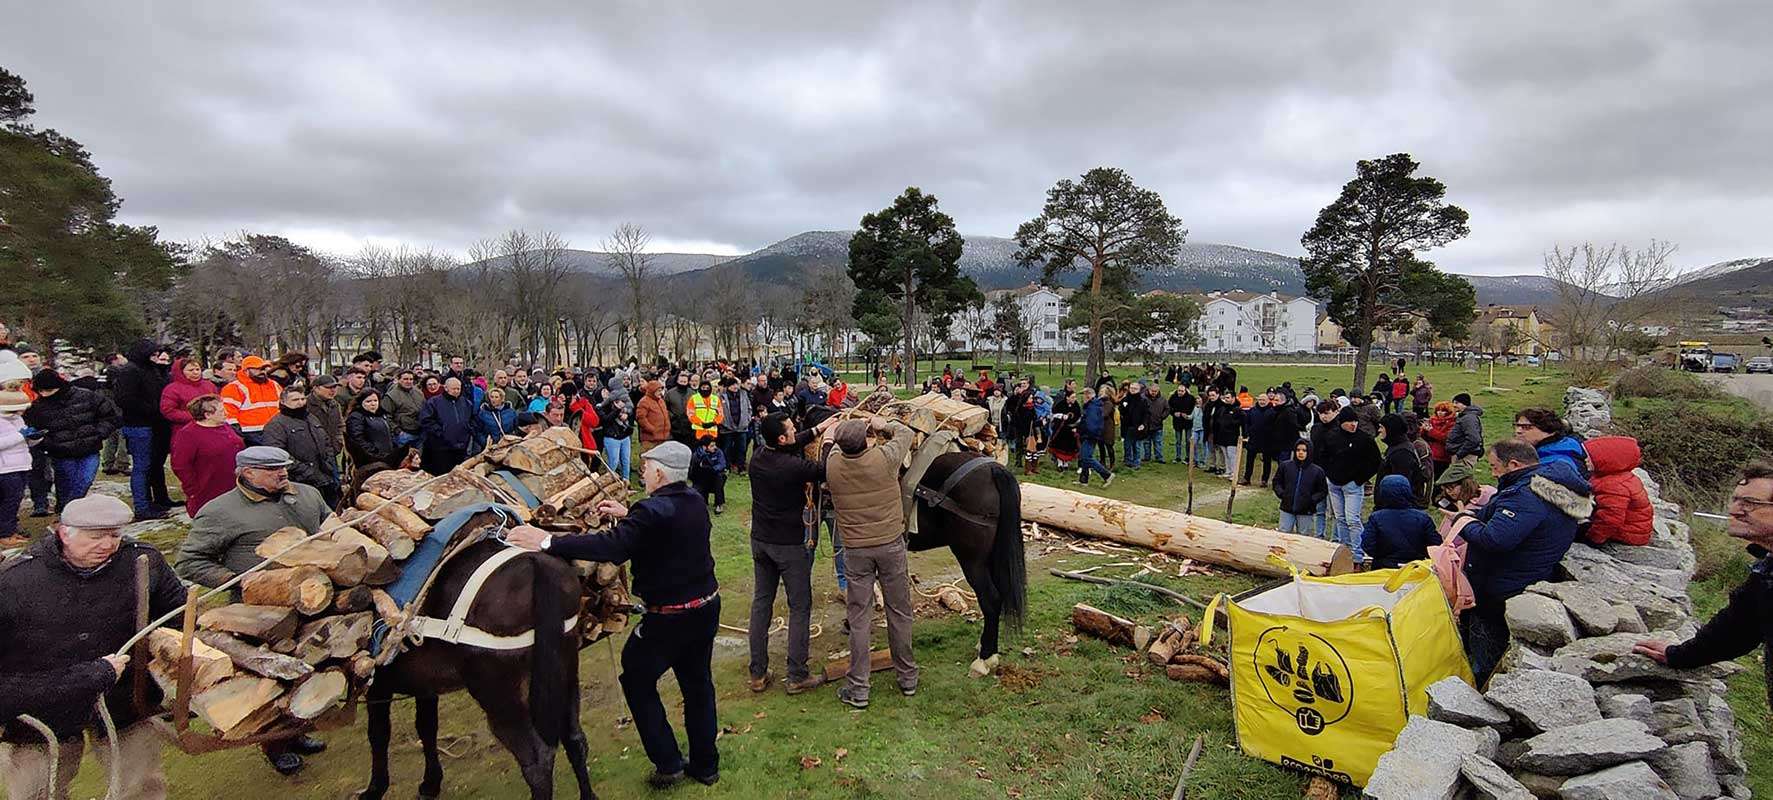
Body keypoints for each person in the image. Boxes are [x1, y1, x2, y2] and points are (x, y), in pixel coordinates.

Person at [505, 443, 721, 788]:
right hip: (706, 608)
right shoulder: (693, 500)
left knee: (636, 679)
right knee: (698, 685)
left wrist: (547, 541)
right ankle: (707, 766)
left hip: (668, 620)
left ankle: (668, 764)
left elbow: (612, 547)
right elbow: (661, 522)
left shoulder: (651, 513)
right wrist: (629, 512)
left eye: (647, 469)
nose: (643, 473)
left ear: (661, 474)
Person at [0, 495, 183, 800]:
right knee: (35, 792)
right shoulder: (14, 580)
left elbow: (175, 616)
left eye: (115, 535)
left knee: (141, 787)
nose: (107, 544)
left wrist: (163, 669)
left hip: (125, 699)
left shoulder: (144, 562)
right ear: (63, 532)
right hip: (41, 709)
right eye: (95, 537)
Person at [174, 446, 332, 774]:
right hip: (259, 613)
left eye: (284, 467)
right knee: (271, 677)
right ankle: (275, 743)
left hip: (314, 597)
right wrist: (236, 581)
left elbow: (331, 531)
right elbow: (189, 561)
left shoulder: (307, 495)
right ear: (247, 474)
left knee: (313, 668)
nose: (283, 473)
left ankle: (299, 729)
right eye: (273, 469)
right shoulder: (220, 512)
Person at [1446, 439, 1591, 685]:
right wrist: (1477, 517)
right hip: (1526, 576)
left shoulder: (1524, 496)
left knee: (1485, 652)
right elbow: (1508, 523)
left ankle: (1477, 693)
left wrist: (1463, 521)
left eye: (1494, 467)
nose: (1491, 473)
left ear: (1512, 464)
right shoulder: (1551, 487)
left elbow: (1495, 539)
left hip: (1500, 587)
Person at [1634, 462, 1773, 713]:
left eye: (1750, 503)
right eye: (1735, 500)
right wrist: (1678, 655)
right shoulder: (1766, 571)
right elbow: (1739, 627)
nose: (1735, 510)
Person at [825, 417, 917, 709]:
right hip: (890, 546)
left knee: (859, 618)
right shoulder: (884, 458)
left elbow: (829, 445)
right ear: (867, 440)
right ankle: (908, 678)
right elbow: (906, 432)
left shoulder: (833, 465)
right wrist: (882, 422)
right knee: (899, 612)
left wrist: (834, 432)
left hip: (856, 551)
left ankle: (859, 688)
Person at [745, 412, 838, 694]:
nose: (796, 429)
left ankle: (758, 674)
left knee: (762, 602)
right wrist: (830, 440)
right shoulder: (793, 467)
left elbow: (791, 441)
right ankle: (797, 675)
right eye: (791, 429)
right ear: (782, 438)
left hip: (761, 541)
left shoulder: (759, 456)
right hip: (788, 546)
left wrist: (818, 428)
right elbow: (825, 469)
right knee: (800, 607)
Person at [21, 369, 120, 513]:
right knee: (65, 483)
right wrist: (49, 444)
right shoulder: (37, 407)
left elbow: (109, 416)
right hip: (61, 452)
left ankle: (69, 510)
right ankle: (66, 510)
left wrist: (98, 434)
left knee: (85, 480)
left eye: (48, 390)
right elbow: (33, 430)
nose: (44, 394)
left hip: (89, 448)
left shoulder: (86, 396)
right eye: (40, 390)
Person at [111, 340, 175, 520]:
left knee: (155, 464)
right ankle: (142, 506)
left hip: (155, 423)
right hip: (139, 424)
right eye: (153, 354)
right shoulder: (130, 371)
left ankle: (159, 498)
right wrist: (151, 409)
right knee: (142, 466)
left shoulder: (151, 370)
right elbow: (124, 399)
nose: (157, 358)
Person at [261, 386, 342, 509]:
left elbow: (326, 442)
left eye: (302, 399)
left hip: (325, 478)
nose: (300, 402)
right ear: (283, 402)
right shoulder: (276, 425)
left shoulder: (311, 418)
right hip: (299, 482)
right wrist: (306, 472)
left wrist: (329, 462)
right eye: (295, 400)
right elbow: (278, 455)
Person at [1320, 407, 1381, 564]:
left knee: (1352, 519)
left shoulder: (1365, 439)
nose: (1353, 424)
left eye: (1355, 421)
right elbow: (1322, 456)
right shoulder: (1331, 437)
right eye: (1349, 422)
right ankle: (1344, 552)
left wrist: (1360, 479)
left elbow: (1375, 462)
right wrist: (1329, 474)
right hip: (1334, 484)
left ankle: (1357, 556)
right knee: (1340, 518)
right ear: (1342, 423)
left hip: (1353, 486)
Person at [169, 394, 244, 517]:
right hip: (208, 489)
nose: (226, 413)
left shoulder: (224, 426)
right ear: (207, 415)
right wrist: (193, 489)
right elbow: (180, 465)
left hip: (232, 484)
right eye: (221, 411)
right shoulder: (188, 435)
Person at [1582, 435, 1653, 546]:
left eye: (1590, 458)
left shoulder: (1613, 486)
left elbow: (1610, 519)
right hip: (1633, 528)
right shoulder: (1618, 475)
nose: (1585, 460)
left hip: (1628, 533)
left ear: (1605, 460)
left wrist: (1594, 538)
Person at [1362, 474, 1439, 569]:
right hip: (1416, 568)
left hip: (1383, 568)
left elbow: (1368, 545)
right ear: (1408, 491)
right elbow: (1435, 544)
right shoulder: (1422, 518)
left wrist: (1381, 556)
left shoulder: (1376, 518)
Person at [344, 390, 400, 496]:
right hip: (368, 459)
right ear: (361, 403)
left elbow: (389, 433)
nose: (373, 404)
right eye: (368, 401)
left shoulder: (382, 415)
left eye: (375, 400)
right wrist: (373, 451)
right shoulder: (357, 416)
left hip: (386, 456)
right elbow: (357, 438)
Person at [220, 355, 281, 446]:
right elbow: (229, 414)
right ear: (246, 371)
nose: (262, 371)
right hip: (250, 434)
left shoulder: (274, 385)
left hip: (276, 430)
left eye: (264, 368)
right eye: (258, 369)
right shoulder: (234, 388)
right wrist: (240, 434)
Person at [418, 377, 474, 475]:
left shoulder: (466, 403)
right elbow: (426, 420)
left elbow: (472, 419)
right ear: (446, 388)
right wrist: (440, 432)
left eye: (458, 389)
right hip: (440, 447)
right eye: (454, 389)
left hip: (460, 447)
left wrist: (468, 430)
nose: (456, 391)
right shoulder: (434, 402)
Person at [1513, 408, 1588, 479]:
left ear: (1549, 431)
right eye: (1517, 426)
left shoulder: (1557, 463)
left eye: (1527, 427)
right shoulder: (1562, 445)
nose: (1518, 431)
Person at [1272, 440, 1326, 536]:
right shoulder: (1285, 466)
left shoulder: (1317, 471)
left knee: (1303, 537)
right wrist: (1282, 493)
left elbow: (1322, 491)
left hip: (1306, 511)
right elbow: (1277, 482)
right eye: (1298, 450)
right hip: (1287, 508)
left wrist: (1311, 500)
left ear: (1309, 452)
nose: (1300, 453)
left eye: (1304, 450)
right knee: (1283, 535)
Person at [1378, 413, 1429, 507]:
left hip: (1396, 507)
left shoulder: (1402, 453)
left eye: (1381, 427)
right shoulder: (1395, 447)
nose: (1379, 430)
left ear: (1390, 429)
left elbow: (1400, 484)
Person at [160, 355, 217, 429]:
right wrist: (196, 417)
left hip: (212, 426)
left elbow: (218, 403)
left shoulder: (209, 385)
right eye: (191, 370)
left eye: (197, 369)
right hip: (186, 428)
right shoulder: (172, 389)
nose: (195, 372)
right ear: (180, 372)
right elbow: (169, 411)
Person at [98, 353, 131, 476]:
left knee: (111, 437)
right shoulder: (116, 372)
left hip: (107, 409)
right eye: (121, 357)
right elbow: (120, 390)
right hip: (118, 408)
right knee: (122, 437)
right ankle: (123, 463)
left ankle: (108, 463)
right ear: (115, 360)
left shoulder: (103, 372)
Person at [1074, 388, 1113, 487]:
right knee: (1083, 457)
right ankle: (1084, 480)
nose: (1083, 397)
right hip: (1087, 435)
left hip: (1090, 435)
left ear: (1088, 395)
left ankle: (1107, 475)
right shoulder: (1091, 406)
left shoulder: (1093, 407)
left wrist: (1086, 432)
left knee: (1087, 458)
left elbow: (1091, 423)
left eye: (1084, 395)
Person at [382, 370, 426, 450]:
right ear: (399, 380)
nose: (408, 381)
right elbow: (385, 416)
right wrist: (397, 430)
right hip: (403, 434)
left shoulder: (418, 393)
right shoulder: (391, 396)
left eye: (411, 379)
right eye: (405, 379)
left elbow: (424, 409)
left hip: (420, 432)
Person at [598, 386, 635, 482]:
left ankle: (626, 481)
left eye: (607, 391)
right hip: (612, 438)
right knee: (613, 462)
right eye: (603, 392)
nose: (606, 394)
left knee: (626, 460)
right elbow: (606, 419)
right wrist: (617, 410)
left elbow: (631, 411)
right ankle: (610, 482)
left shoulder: (622, 403)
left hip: (624, 436)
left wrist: (627, 414)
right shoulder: (601, 407)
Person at [1239, 392, 1274, 486]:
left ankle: (1264, 480)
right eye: (1260, 400)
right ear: (1257, 400)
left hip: (1267, 440)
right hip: (1253, 439)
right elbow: (1246, 423)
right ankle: (1247, 478)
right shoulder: (1252, 410)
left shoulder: (1272, 411)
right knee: (1249, 460)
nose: (1262, 402)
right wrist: (1247, 433)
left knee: (1267, 461)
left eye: (1264, 400)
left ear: (1268, 401)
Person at [307, 374, 345, 460]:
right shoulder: (305, 405)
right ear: (316, 388)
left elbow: (340, 425)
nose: (333, 390)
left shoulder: (334, 405)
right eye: (328, 387)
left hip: (332, 452)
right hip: (312, 454)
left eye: (334, 387)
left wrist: (339, 442)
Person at [718, 378, 752, 474]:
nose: (735, 387)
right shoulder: (721, 397)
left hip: (742, 427)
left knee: (742, 448)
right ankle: (727, 467)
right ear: (728, 386)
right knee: (727, 448)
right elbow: (718, 410)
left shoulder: (743, 394)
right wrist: (723, 422)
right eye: (733, 385)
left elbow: (749, 408)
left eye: (736, 384)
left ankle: (741, 467)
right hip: (727, 428)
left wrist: (747, 420)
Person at [472, 386, 520, 455]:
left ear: (502, 399)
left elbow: (516, 427)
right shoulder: (483, 413)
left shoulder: (511, 412)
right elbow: (478, 431)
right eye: (492, 397)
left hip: (508, 445)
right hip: (491, 447)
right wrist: (485, 442)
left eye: (496, 397)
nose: (493, 399)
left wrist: (512, 438)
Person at [1445, 393, 1485, 468]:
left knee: (1461, 478)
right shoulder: (1464, 417)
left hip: (1465, 457)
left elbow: (1474, 439)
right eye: (1453, 402)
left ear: (1464, 404)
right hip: (1462, 455)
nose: (1454, 405)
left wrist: (1459, 454)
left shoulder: (1468, 418)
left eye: (1457, 403)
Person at [1209, 390, 1244, 477]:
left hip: (1232, 436)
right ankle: (1228, 471)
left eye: (1228, 398)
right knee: (1225, 454)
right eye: (1225, 398)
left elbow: (1241, 422)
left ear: (1233, 398)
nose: (1226, 400)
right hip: (1222, 435)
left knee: (1232, 454)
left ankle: (1234, 473)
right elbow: (1218, 420)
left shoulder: (1238, 409)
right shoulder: (1223, 408)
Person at [690, 438, 728, 514]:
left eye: (715, 445)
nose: (715, 447)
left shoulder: (718, 452)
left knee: (719, 478)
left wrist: (712, 469)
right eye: (712, 446)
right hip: (701, 479)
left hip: (715, 476)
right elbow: (692, 471)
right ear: (704, 447)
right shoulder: (696, 455)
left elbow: (722, 464)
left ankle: (719, 504)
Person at [1422, 401, 1457, 479]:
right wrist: (1424, 430)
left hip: (1442, 455)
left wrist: (1431, 431)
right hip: (1430, 453)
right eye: (1438, 410)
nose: (1440, 413)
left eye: (1443, 411)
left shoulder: (1452, 423)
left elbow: (1446, 438)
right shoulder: (1432, 420)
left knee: (1439, 477)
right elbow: (1424, 437)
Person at [636, 379, 670, 454]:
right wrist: (651, 429)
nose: (660, 393)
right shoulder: (644, 402)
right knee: (648, 460)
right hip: (650, 439)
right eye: (658, 391)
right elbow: (641, 418)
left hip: (662, 437)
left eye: (661, 391)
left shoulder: (661, 401)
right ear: (652, 391)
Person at [1117, 381, 1146, 470]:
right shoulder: (1125, 399)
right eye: (1131, 388)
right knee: (1127, 444)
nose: (1133, 390)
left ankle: (1136, 462)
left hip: (1137, 426)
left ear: (1139, 390)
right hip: (1126, 426)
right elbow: (1120, 410)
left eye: (1135, 389)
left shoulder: (1142, 401)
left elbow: (1146, 414)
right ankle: (1128, 460)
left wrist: (1143, 424)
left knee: (1136, 445)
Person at [1168, 384, 1195, 464]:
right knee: (1178, 441)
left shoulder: (1190, 398)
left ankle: (1187, 457)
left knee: (1188, 440)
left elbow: (1193, 408)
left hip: (1188, 422)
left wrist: (1187, 415)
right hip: (1177, 422)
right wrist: (1173, 413)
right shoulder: (1173, 397)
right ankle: (1178, 457)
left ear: (1185, 391)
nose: (1180, 392)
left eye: (1182, 391)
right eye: (1179, 391)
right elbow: (1169, 407)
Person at [664, 372, 694, 445]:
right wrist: (672, 416)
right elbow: (665, 408)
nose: (683, 384)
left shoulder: (692, 393)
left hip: (689, 425)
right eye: (681, 381)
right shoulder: (670, 393)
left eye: (685, 382)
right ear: (677, 381)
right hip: (675, 425)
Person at [1142, 382, 1168, 464]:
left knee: (1158, 442)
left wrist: (1162, 417)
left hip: (1158, 424)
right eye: (1152, 391)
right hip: (1147, 425)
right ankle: (1147, 456)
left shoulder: (1163, 399)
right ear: (1149, 390)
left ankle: (1159, 457)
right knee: (1146, 442)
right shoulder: (1143, 398)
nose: (1153, 393)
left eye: (1155, 391)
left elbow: (1167, 409)